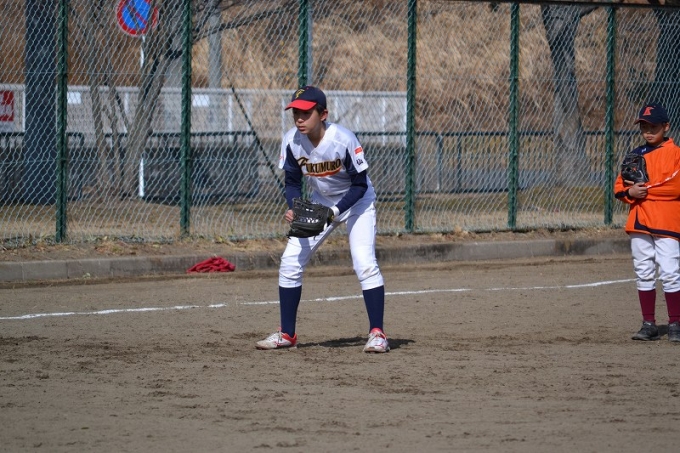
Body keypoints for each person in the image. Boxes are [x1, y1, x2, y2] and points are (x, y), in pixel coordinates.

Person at [255, 86, 389, 353]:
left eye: (306, 113)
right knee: (290, 261)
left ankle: (378, 334)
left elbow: (360, 185)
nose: (299, 118)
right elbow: (292, 183)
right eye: (296, 113)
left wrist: (334, 212)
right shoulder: (292, 141)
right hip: (321, 203)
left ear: (323, 114)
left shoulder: (343, 139)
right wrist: (295, 207)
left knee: (364, 262)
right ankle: (287, 334)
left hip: (357, 202)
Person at [614, 102, 680, 342]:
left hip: (666, 221)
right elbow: (619, 187)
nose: (648, 131)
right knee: (643, 271)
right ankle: (649, 324)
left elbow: (674, 188)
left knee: (670, 272)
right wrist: (630, 193)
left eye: (653, 126)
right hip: (639, 220)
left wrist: (644, 191)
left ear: (666, 126)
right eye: (644, 126)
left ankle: (675, 324)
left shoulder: (676, 154)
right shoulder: (635, 154)